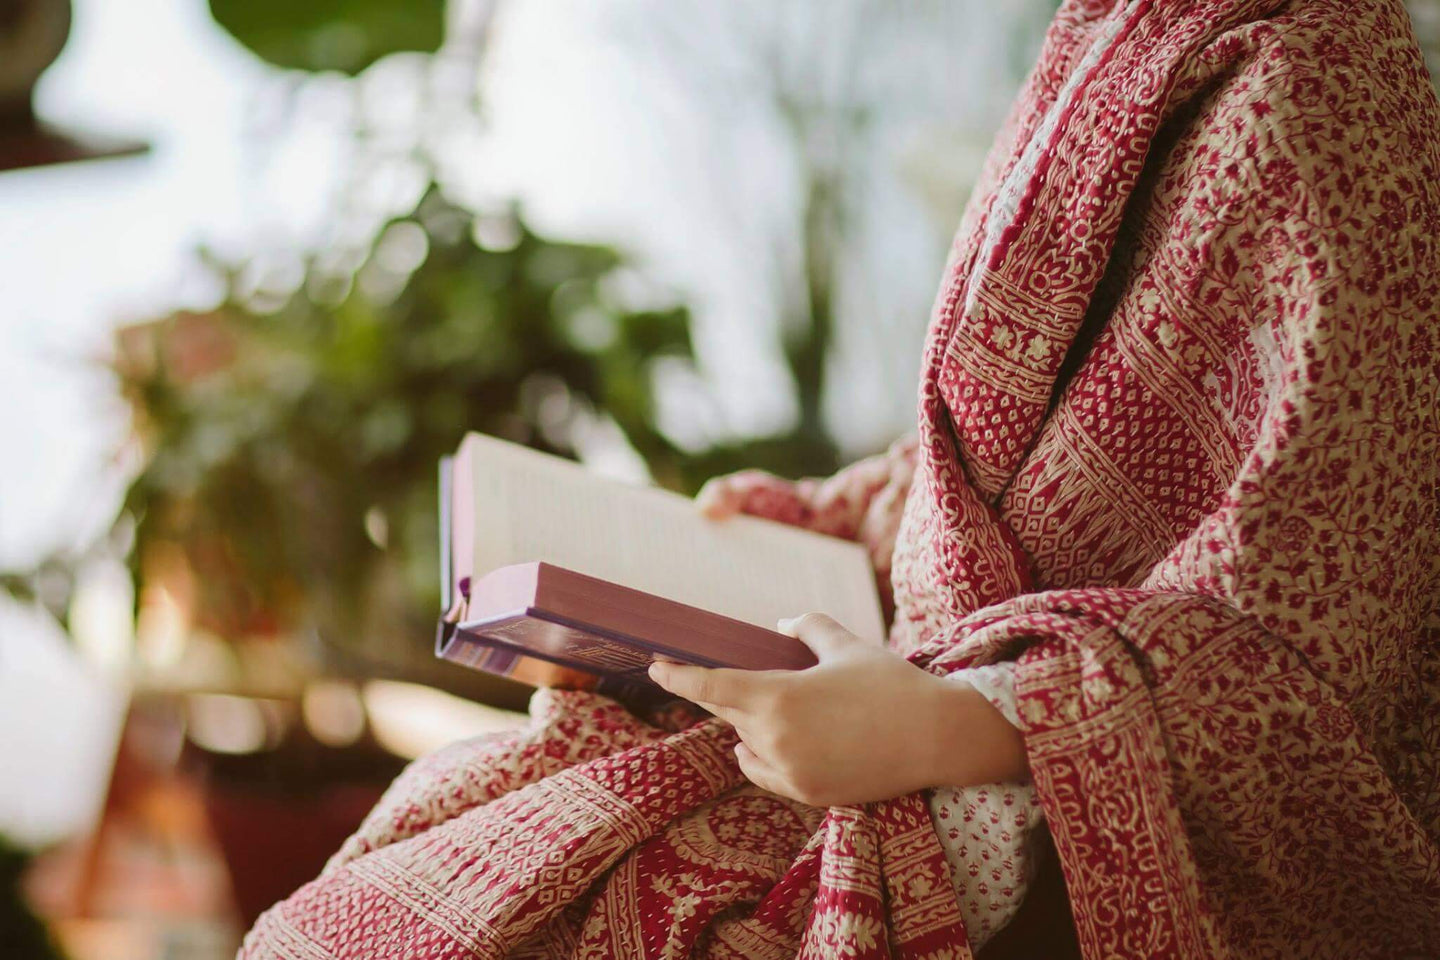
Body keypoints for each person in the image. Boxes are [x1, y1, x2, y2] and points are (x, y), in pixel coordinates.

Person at [240, 0, 1440, 956]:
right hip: (888, 669)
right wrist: (826, 515)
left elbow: (1316, 653)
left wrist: (952, 728)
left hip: (1016, 787)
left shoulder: (1316, 98)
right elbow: (1003, 447)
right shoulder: (1123, 28)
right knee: (393, 876)